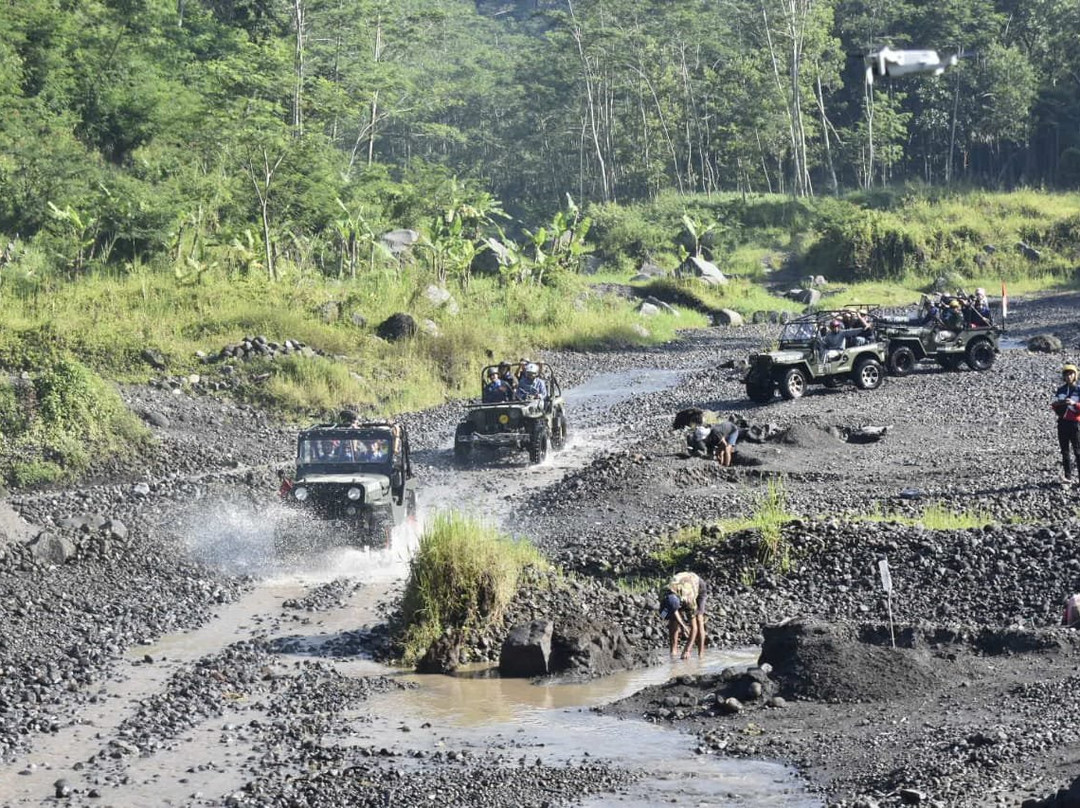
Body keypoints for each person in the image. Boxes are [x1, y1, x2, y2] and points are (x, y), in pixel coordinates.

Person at [659, 571, 707, 659]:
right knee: (673, 619)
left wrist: (687, 650)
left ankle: (701, 654)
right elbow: (663, 615)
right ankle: (673, 651)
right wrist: (683, 626)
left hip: (697, 585)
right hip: (679, 589)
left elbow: (694, 628)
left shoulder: (688, 600)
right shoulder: (663, 594)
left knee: (698, 620)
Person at [1052, 363, 1080, 484]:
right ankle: (1068, 476)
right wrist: (1060, 403)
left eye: (1071, 374)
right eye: (1066, 374)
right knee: (1064, 451)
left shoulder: (1078, 390)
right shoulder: (1061, 390)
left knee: (1078, 451)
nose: (1069, 376)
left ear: (1075, 375)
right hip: (1062, 423)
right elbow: (1054, 405)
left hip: (1075, 423)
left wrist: (1074, 404)